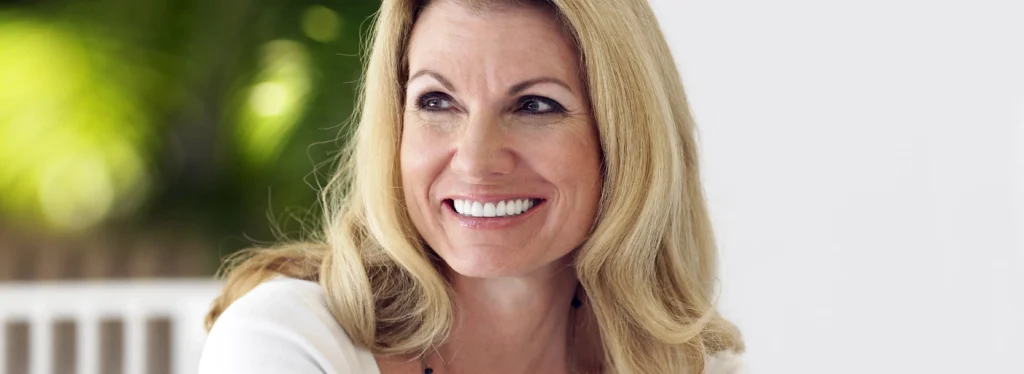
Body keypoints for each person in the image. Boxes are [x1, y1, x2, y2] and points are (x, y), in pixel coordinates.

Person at [198, 0, 746, 373]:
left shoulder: (687, 364)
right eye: (437, 101)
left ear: (623, 140)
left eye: (535, 105)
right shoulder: (289, 339)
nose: (477, 160)